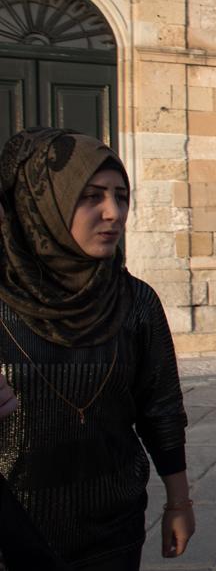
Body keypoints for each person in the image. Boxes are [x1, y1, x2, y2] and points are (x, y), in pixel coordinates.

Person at [0, 127, 193, 569]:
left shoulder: (136, 301)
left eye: (121, 196)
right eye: (90, 197)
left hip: (113, 529)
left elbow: (160, 408)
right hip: (12, 533)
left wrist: (178, 502)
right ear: (40, 202)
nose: (113, 213)